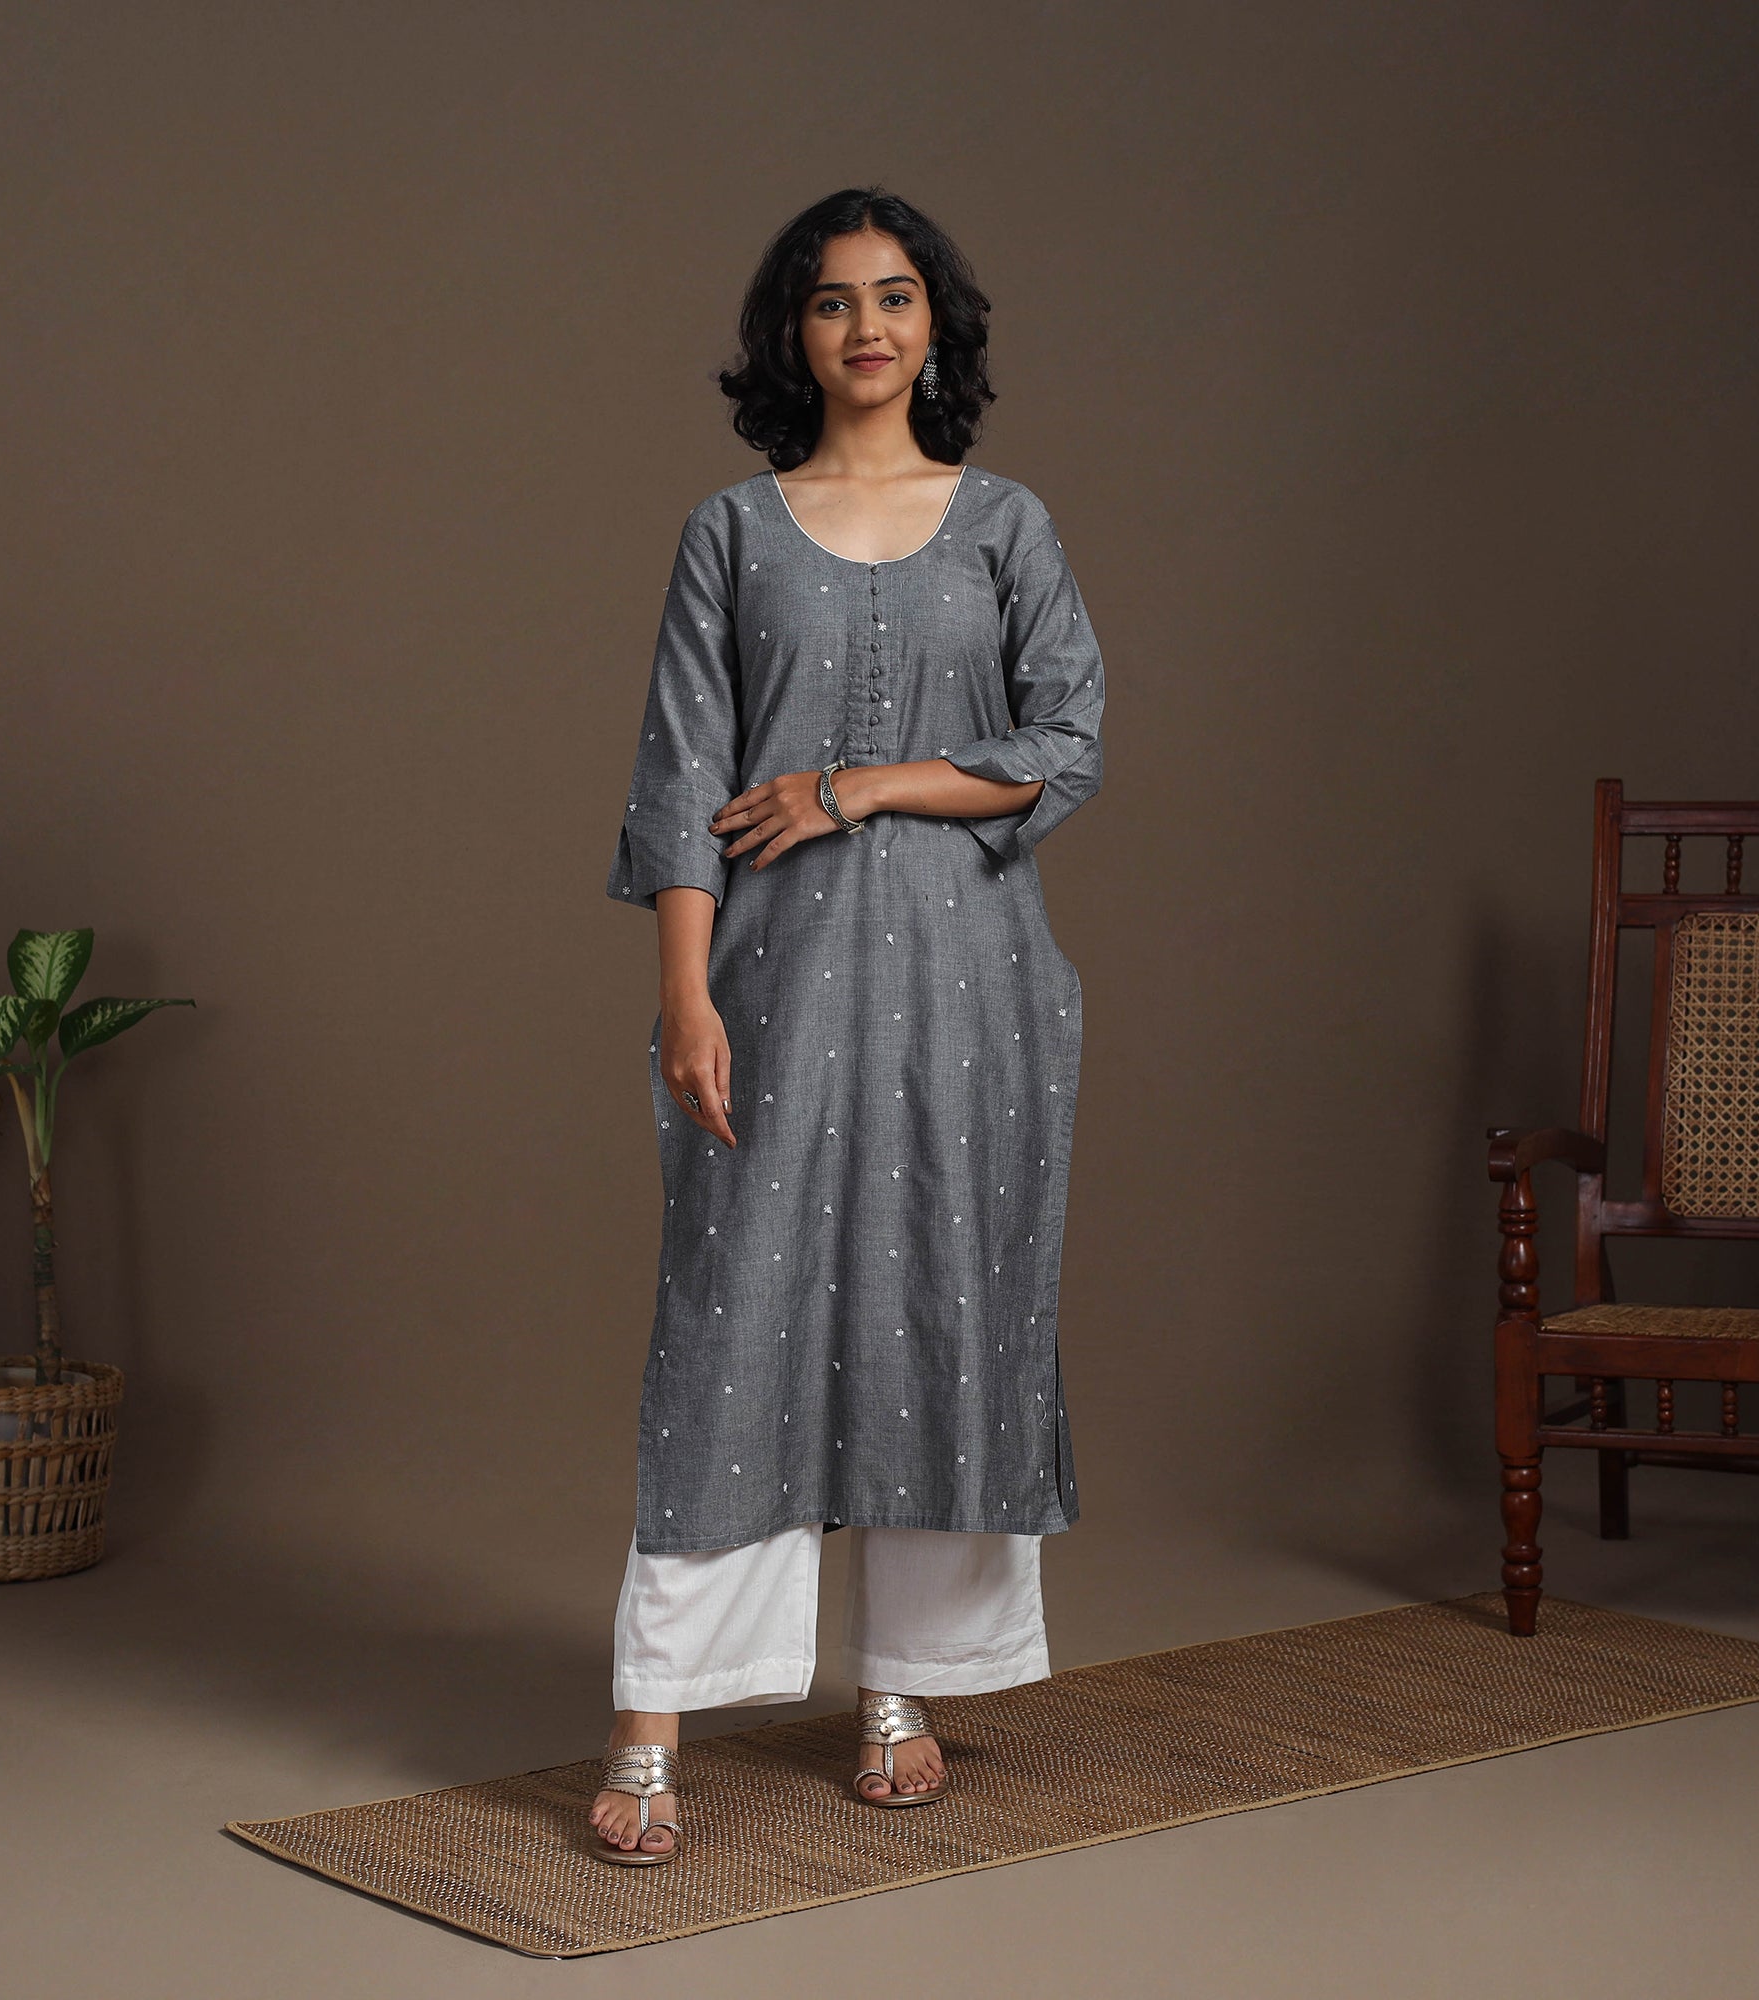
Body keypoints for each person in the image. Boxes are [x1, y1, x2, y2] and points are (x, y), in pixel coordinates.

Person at [591, 186, 1106, 1863]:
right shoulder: (731, 534)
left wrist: (859, 785)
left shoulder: (1007, 523)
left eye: (894, 296)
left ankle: (903, 1686)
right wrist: (683, 994)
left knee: (942, 1303)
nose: (865, 327)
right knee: (733, 1322)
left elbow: (1068, 740)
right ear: (791, 334)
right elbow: (682, 777)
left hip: (976, 986)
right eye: (831, 301)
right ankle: (654, 1720)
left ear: (935, 325)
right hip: (774, 980)